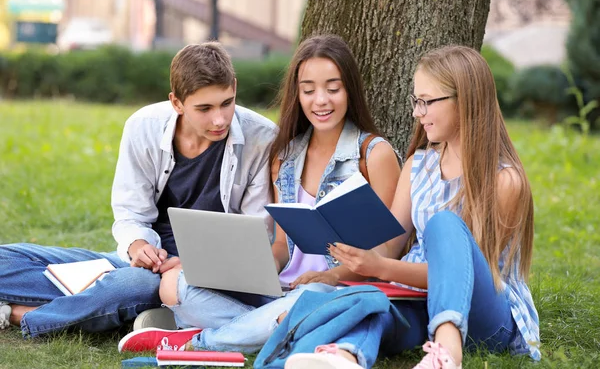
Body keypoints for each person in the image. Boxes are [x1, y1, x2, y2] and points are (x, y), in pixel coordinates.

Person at [117, 34, 402, 353]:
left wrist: (333, 275)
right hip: (280, 291)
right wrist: (249, 270)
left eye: (333, 88)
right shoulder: (286, 156)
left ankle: (200, 340)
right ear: (298, 94)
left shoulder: (374, 155)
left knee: (314, 298)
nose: (321, 100)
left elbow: (388, 252)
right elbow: (281, 246)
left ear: (350, 89)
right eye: (309, 90)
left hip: (338, 290)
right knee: (176, 284)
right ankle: (278, 327)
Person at [261, 45, 540, 369]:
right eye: (416, 101)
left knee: (443, 224)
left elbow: (462, 278)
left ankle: (448, 352)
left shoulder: (504, 180)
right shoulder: (418, 166)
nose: (417, 113)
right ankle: (344, 357)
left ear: (465, 100)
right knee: (372, 305)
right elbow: (390, 246)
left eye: (427, 102)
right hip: (418, 301)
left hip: (486, 315)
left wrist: (381, 269)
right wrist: (350, 263)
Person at [0, 42, 277, 338]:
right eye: (204, 109)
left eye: (226, 102)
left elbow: (254, 237)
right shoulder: (144, 127)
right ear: (177, 103)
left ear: (234, 87)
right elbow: (131, 214)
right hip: (143, 262)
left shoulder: (260, 138)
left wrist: (190, 264)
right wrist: (138, 247)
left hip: (199, 277)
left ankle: (19, 314)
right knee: (7, 260)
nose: (220, 119)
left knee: (131, 285)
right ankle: (122, 306)